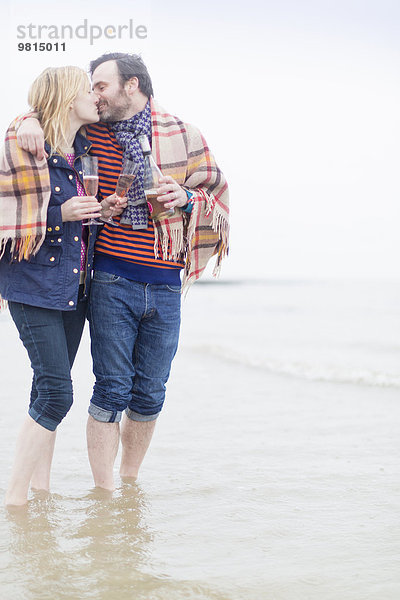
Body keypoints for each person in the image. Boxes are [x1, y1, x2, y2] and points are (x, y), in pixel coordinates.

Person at [16, 53, 230, 491]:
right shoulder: (89, 131)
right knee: (110, 388)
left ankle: (129, 482)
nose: (94, 95)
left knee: (151, 392)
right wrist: (26, 118)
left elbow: (217, 195)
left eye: (101, 85)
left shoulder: (183, 134)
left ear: (131, 85)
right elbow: (51, 111)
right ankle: (104, 490)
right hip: (110, 278)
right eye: (90, 87)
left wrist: (186, 198)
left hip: (169, 283)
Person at [0, 66, 123, 506]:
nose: (95, 96)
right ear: (67, 97)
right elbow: (6, 217)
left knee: (43, 389)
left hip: (74, 289)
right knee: (56, 394)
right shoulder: (25, 147)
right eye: (87, 89)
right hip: (33, 287)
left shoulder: (83, 150)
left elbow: (77, 221)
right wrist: (60, 215)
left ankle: (41, 492)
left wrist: (98, 211)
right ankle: (14, 501)